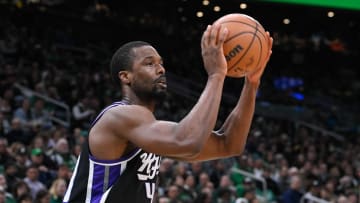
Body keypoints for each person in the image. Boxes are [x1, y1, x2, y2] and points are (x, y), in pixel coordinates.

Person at [63, 23, 273, 203]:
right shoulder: (119, 117)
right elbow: (188, 140)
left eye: (161, 63)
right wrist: (217, 75)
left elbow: (229, 144)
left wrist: (251, 84)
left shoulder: (148, 132)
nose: (161, 68)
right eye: (149, 63)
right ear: (126, 77)